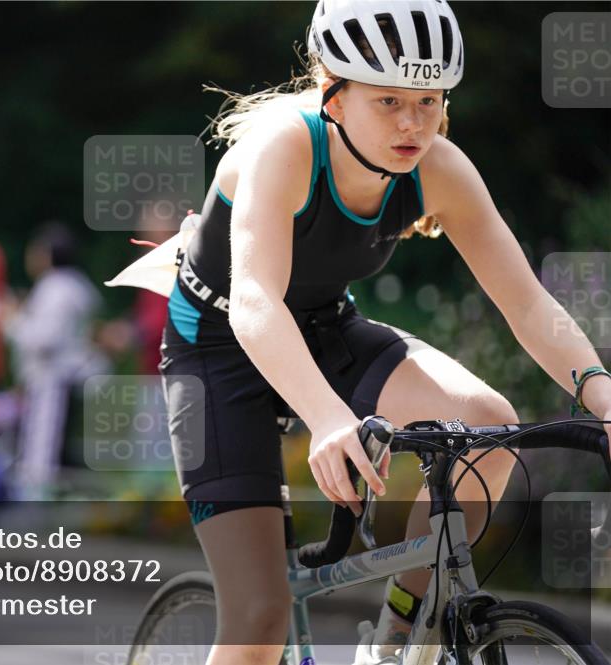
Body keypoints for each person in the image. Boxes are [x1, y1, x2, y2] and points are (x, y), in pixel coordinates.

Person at [148, 2, 611, 664]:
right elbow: (252, 301)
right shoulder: (283, 146)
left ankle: (397, 639)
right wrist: (328, 417)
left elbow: (529, 305)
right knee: (258, 616)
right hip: (217, 351)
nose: (412, 122)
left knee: (485, 424)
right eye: (388, 100)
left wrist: (603, 396)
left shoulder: (441, 170)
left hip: (324, 328)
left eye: (428, 100)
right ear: (334, 93)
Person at [3, 221, 109, 500]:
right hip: (67, 375)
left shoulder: (56, 288)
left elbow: (43, 339)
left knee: (42, 447)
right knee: (54, 445)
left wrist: (11, 321)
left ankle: (35, 500)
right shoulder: (77, 285)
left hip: (52, 377)